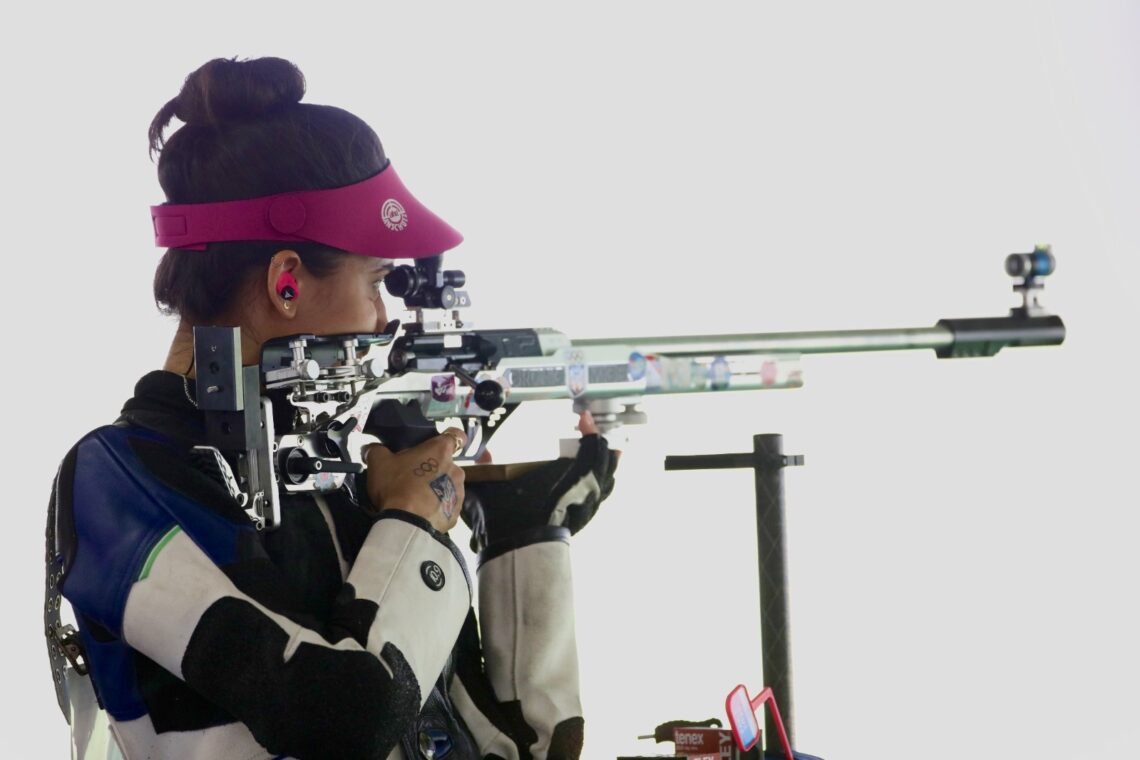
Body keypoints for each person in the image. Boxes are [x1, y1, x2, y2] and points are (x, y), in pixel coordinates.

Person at [45, 56, 618, 760]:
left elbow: (525, 747)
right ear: (288, 283)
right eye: (377, 281)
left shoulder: (329, 482)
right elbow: (349, 718)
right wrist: (412, 523)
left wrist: (527, 532)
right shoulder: (119, 484)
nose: (383, 320)